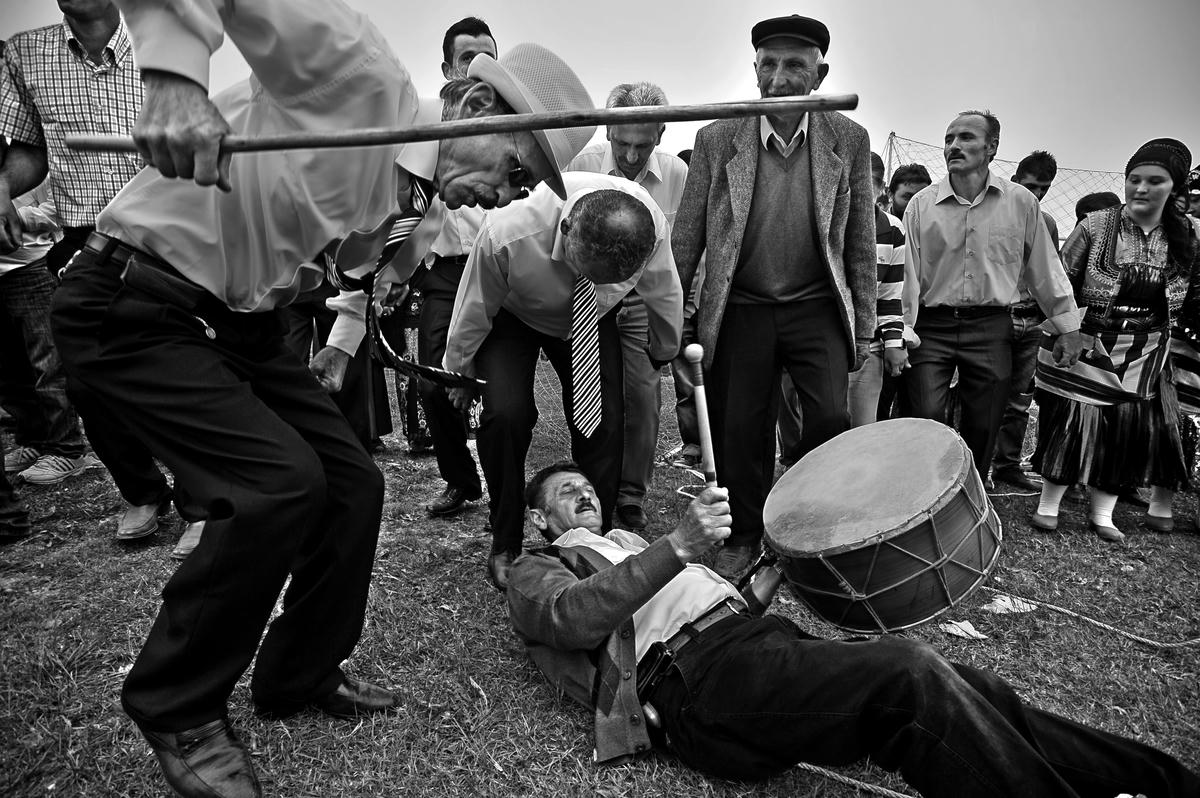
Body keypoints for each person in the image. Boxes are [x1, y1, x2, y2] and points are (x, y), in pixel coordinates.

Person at [47, 1, 594, 796]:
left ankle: (298, 672)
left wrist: (338, 349)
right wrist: (173, 83)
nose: (506, 198)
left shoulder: (422, 205)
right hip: (139, 299)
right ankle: (177, 706)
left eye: (526, 188)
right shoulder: (359, 78)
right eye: (514, 172)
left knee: (353, 483)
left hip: (242, 323)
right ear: (477, 105)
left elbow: (354, 278)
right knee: (275, 486)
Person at [506, 461, 1200, 797]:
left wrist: (762, 582)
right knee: (907, 674)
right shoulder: (537, 568)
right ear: (539, 518)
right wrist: (680, 546)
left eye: (586, 485)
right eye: (566, 491)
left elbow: (709, 609)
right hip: (693, 686)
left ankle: (1166, 783)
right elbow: (573, 620)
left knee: (974, 688)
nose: (584, 492)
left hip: (747, 648)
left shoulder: (627, 541)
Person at [672, 14, 876, 579]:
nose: (779, 77)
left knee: (829, 418)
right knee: (741, 428)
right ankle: (744, 534)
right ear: (755, 69)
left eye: (795, 65)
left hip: (816, 305)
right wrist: (673, 318)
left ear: (820, 75)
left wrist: (863, 328)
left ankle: (812, 528)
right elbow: (687, 236)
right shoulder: (717, 138)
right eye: (769, 64)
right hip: (744, 305)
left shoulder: (848, 138)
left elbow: (859, 242)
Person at [0, 1, 198, 545]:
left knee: (180, 370)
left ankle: (203, 501)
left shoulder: (172, 38)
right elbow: (30, 153)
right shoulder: (25, 52)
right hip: (84, 240)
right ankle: (142, 491)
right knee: (87, 382)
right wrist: (1, 185)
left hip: (168, 231)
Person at [442, 177, 682, 590]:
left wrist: (665, 345)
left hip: (591, 317)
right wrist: (460, 372)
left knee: (604, 421)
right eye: (585, 270)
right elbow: (474, 304)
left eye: (608, 278)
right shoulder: (507, 230)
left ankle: (592, 542)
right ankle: (505, 538)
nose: (592, 279)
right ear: (567, 230)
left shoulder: (650, 226)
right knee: (505, 415)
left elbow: (664, 288)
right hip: (513, 314)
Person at [1030, 138, 1200, 543]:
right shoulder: (1096, 226)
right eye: (1134, 179)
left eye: (1154, 181)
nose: (1141, 188)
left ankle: (1103, 514)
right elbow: (1059, 283)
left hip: (1147, 349)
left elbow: (1194, 295)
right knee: (1073, 423)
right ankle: (1048, 505)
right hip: (1091, 342)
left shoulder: (1189, 236)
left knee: (1126, 429)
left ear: (1174, 188)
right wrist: (1068, 330)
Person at [898, 111, 1082, 477]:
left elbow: (1044, 268)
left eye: (966, 137)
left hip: (991, 326)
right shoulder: (921, 205)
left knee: (984, 423)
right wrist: (901, 330)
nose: (954, 146)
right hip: (931, 327)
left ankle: (973, 490)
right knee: (925, 416)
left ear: (992, 147)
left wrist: (1068, 327)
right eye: (949, 138)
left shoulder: (1021, 203)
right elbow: (908, 276)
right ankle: (924, 493)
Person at [567, 81, 690, 531]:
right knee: (591, 395)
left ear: (661, 134)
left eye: (643, 144)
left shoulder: (677, 175)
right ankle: (591, 485)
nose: (632, 155)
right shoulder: (580, 166)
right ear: (607, 132)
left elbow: (679, 251)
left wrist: (673, 324)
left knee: (642, 396)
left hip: (644, 299)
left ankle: (631, 493)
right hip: (590, 297)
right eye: (622, 144)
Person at [401, 16, 496, 517]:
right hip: (443, 275)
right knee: (432, 381)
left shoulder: (512, 126)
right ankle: (460, 480)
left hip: (499, 271)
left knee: (502, 386)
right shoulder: (423, 125)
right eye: (467, 59)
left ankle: (507, 491)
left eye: (488, 59)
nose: (478, 68)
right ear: (445, 69)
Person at [0, 180, 91, 485]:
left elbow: (60, 209)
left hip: (32, 267)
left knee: (48, 363)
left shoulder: (25, 163)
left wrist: (12, 215)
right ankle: (34, 441)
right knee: (10, 370)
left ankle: (67, 449)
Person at [991, 150, 1063, 492]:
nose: (1036, 194)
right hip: (995, 318)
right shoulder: (991, 214)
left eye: (1044, 188)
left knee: (1020, 398)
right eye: (1031, 186)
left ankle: (1007, 465)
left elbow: (1052, 274)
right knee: (983, 394)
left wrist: (1056, 322)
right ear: (1015, 180)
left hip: (1031, 320)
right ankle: (975, 465)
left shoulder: (1046, 223)